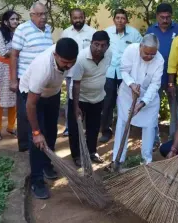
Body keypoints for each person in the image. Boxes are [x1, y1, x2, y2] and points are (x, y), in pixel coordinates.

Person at [19, 38, 79, 199]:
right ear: (55, 55)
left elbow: (72, 79)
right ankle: (36, 181)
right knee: (38, 140)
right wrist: (36, 132)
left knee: (51, 132)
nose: (68, 66)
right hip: (32, 94)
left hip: (52, 93)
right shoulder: (43, 68)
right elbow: (30, 105)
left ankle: (47, 164)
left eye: (71, 62)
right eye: (65, 62)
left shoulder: (69, 57)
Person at [109, 34, 164, 167]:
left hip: (148, 99)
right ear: (140, 46)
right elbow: (124, 71)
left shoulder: (159, 60)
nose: (149, 57)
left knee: (150, 127)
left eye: (153, 54)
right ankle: (118, 159)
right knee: (122, 123)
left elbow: (155, 85)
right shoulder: (130, 50)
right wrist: (132, 84)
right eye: (146, 53)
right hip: (128, 94)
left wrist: (142, 103)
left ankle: (146, 161)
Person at [10, 2, 53, 152]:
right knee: (24, 114)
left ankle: (39, 145)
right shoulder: (22, 29)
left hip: (43, 80)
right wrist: (13, 79)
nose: (43, 17)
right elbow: (14, 56)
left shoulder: (48, 29)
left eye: (45, 13)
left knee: (38, 113)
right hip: (26, 80)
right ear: (32, 15)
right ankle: (25, 146)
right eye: (40, 14)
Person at [67, 31, 112, 167]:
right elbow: (76, 83)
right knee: (75, 129)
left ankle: (92, 151)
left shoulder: (109, 54)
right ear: (91, 43)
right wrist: (75, 107)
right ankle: (76, 155)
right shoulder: (80, 58)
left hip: (98, 98)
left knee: (94, 127)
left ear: (107, 46)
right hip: (79, 99)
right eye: (96, 44)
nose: (99, 48)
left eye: (102, 45)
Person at [100, 9, 143, 144]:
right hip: (110, 73)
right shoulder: (107, 32)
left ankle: (126, 129)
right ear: (114, 20)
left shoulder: (134, 34)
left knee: (126, 102)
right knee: (107, 102)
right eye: (117, 18)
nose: (120, 20)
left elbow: (141, 52)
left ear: (126, 20)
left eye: (122, 18)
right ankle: (106, 131)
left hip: (127, 75)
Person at [145, 2, 178, 148]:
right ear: (157, 17)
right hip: (155, 77)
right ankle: (154, 139)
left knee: (175, 109)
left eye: (168, 17)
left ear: (171, 16)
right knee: (152, 108)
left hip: (174, 77)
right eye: (162, 17)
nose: (165, 20)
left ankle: (173, 138)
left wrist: (172, 81)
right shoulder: (151, 31)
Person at [60, 8, 97, 137]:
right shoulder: (65, 33)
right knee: (70, 101)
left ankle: (85, 128)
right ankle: (69, 127)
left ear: (84, 17)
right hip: (70, 73)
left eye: (80, 17)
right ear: (71, 18)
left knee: (86, 101)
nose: (78, 20)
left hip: (87, 74)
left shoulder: (92, 33)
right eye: (75, 18)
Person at [0, 10, 20, 141]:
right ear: (6, 21)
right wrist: (18, 51)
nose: (15, 21)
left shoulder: (18, 33)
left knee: (14, 99)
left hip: (14, 69)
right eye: (13, 19)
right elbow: (3, 52)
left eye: (16, 19)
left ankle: (11, 127)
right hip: (1, 71)